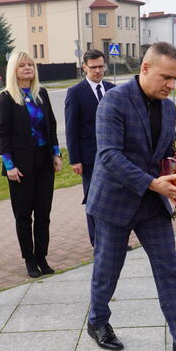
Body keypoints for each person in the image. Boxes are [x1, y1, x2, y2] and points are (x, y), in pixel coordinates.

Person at [85, 42, 176, 351]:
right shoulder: (113, 102)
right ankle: (97, 321)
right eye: (166, 77)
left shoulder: (168, 108)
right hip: (114, 201)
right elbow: (108, 156)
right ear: (145, 69)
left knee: (169, 269)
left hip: (152, 204)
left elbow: (163, 155)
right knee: (107, 269)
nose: (172, 85)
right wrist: (151, 182)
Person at [0, 50, 63, 278]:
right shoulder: (6, 97)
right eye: (22, 65)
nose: (27, 69)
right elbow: (2, 133)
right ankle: (29, 260)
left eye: (31, 65)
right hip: (20, 165)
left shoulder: (40, 93)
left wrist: (56, 154)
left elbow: (51, 126)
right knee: (24, 216)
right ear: (14, 69)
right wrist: (9, 165)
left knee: (43, 213)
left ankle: (42, 256)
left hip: (44, 160)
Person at [64, 49, 115, 246]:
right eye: (93, 67)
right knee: (94, 199)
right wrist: (75, 159)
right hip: (89, 158)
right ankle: (98, 241)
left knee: (113, 198)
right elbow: (71, 128)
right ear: (84, 67)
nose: (98, 71)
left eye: (101, 66)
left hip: (114, 154)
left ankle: (114, 239)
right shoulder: (75, 93)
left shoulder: (113, 89)